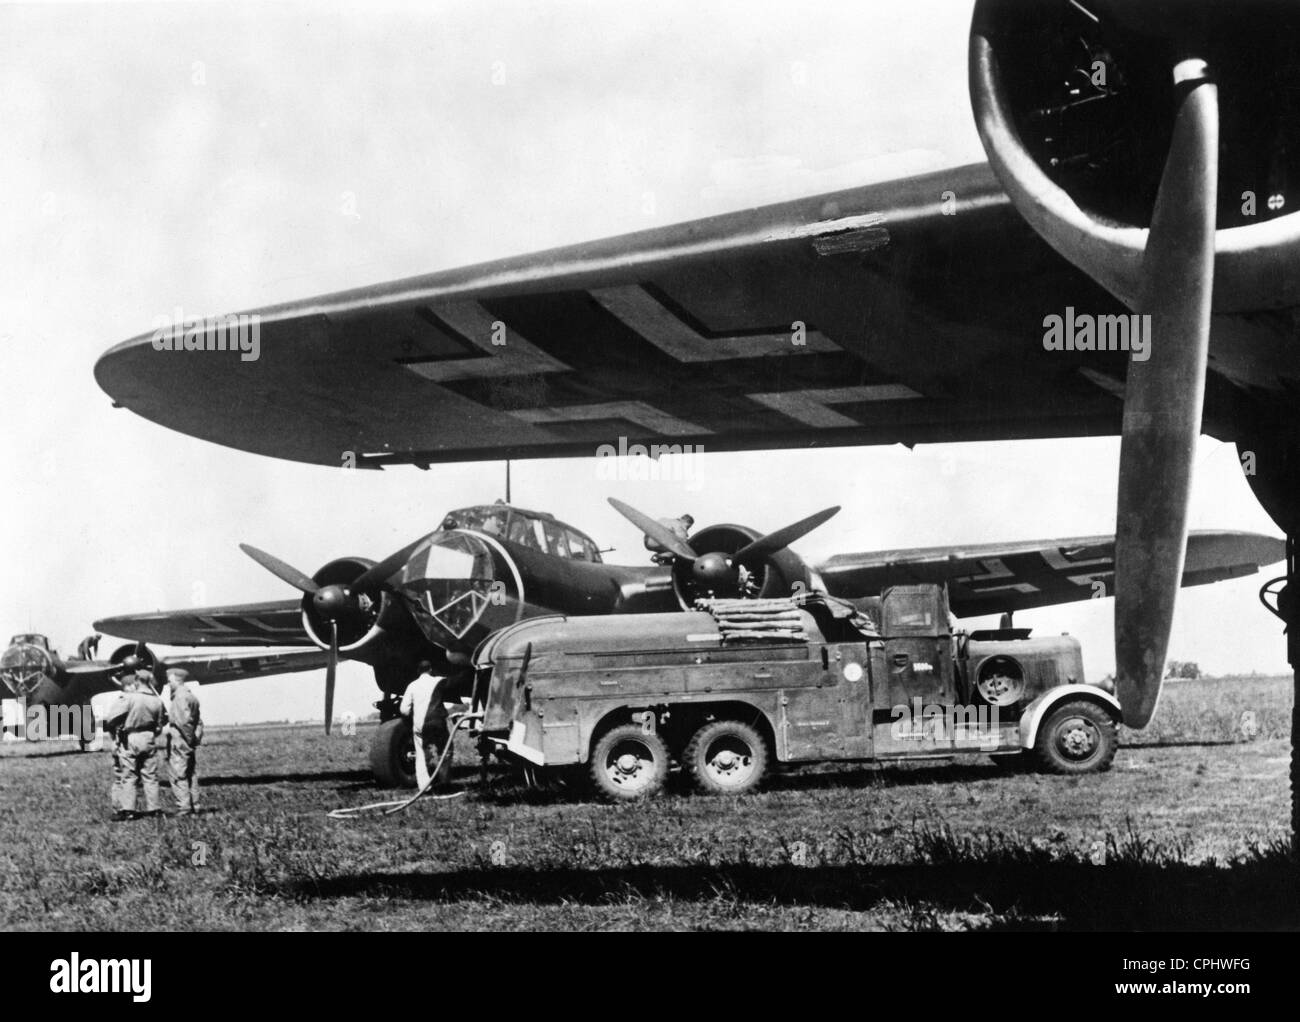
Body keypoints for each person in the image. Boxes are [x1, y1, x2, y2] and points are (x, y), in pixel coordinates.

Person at [105, 676, 167, 821]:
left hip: (131, 737)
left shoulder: (129, 698)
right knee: (150, 775)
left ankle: (128, 810)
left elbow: (111, 719)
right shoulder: (156, 699)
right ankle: (154, 809)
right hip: (149, 737)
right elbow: (163, 720)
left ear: (137, 682)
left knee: (129, 776)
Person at [399, 662, 452, 790]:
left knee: (421, 755)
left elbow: (403, 710)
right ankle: (444, 781)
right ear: (431, 669)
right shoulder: (439, 681)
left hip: (420, 726)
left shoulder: (412, 685)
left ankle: (424, 786)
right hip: (438, 723)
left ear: (418, 671)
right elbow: (453, 683)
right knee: (445, 750)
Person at [164, 668, 203, 815]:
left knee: (178, 774)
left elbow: (184, 721)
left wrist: (187, 740)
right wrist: (195, 738)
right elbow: (198, 721)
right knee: (190, 773)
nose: (168, 684)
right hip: (188, 740)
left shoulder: (179, 697)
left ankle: (184, 807)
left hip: (180, 740)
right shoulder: (191, 696)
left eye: (170, 681)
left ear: (176, 679)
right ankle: (195, 805)